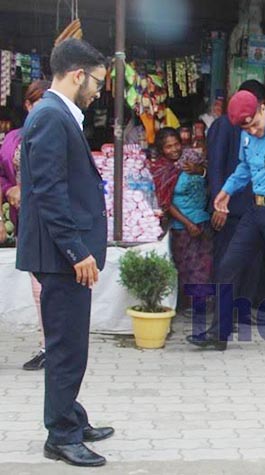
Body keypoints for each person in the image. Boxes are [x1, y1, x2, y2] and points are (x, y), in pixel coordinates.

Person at [16, 38, 113, 467]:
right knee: (66, 348)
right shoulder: (52, 117)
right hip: (62, 257)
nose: (98, 92)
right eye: (97, 82)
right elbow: (51, 194)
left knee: (70, 343)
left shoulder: (55, 116)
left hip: (64, 254)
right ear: (78, 75)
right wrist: (77, 251)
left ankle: (70, 414)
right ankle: (61, 434)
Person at [187, 90, 265, 360]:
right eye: (247, 128)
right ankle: (218, 334)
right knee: (227, 266)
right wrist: (226, 190)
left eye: (255, 124)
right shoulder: (246, 134)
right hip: (255, 210)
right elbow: (244, 169)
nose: (254, 131)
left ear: (262, 108)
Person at [206, 80, 265, 313]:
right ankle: (222, 312)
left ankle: (241, 312)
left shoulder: (262, 130)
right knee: (227, 263)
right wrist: (219, 205)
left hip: (256, 209)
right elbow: (215, 167)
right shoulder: (224, 126)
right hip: (230, 211)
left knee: (252, 263)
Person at [0, 79, 50, 370]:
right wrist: (9, 190)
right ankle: (48, 346)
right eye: (35, 103)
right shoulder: (12, 139)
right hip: (25, 221)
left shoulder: (60, 134)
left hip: (52, 220)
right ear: (28, 106)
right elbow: (2, 174)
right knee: (37, 286)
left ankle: (55, 345)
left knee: (49, 285)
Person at [149, 127, 213, 315]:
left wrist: (199, 170)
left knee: (205, 265)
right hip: (182, 226)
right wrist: (188, 223)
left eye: (176, 144)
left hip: (203, 221)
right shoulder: (161, 169)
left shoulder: (192, 159)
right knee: (188, 266)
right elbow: (165, 203)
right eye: (168, 147)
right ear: (162, 150)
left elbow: (210, 178)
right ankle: (191, 305)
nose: (174, 149)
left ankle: (202, 303)